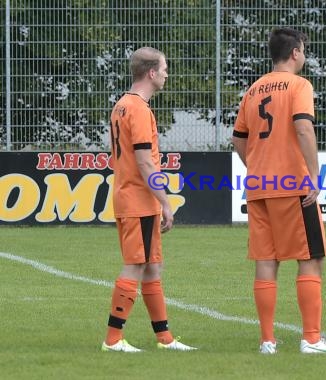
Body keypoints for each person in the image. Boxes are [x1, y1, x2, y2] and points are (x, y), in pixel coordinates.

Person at [232, 28, 326, 355]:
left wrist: (256, 164)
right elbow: (302, 126)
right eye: (304, 50)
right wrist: (312, 174)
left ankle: (267, 341)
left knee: (266, 259)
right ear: (296, 52)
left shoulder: (253, 90)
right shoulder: (300, 85)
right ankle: (311, 339)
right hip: (292, 183)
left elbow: (238, 139)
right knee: (311, 256)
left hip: (258, 186)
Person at [102, 47, 195, 352]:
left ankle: (164, 338)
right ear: (151, 73)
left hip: (133, 197)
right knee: (135, 266)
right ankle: (113, 340)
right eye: (164, 69)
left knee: (153, 267)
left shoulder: (122, 106)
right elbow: (144, 163)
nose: (167, 74)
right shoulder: (139, 109)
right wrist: (166, 202)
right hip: (138, 200)